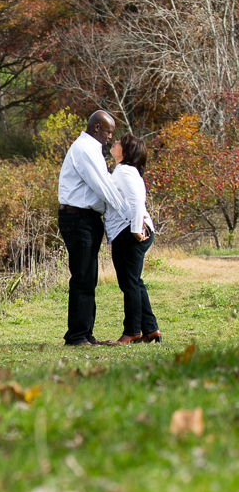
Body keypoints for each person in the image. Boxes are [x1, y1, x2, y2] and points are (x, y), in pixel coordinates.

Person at [58, 110, 131, 346]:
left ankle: (85, 334)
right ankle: (77, 336)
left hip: (86, 219)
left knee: (89, 278)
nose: (111, 136)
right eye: (109, 131)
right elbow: (104, 188)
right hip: (78, 218)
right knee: (82, 278)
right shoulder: (85, 149)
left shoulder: (91, 149)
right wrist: (129, 215)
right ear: (97, 128)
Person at [105, 132, 161, 344]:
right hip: (130, 230)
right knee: (134, 282)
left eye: (120, 143)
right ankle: (150, 329)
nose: (115, 143)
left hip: (130, 232)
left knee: (129, 283)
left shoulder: (125, 171)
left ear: (126, 152)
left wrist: (136, 230)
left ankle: (131, 332)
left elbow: (137, 202)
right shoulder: (125, 171)